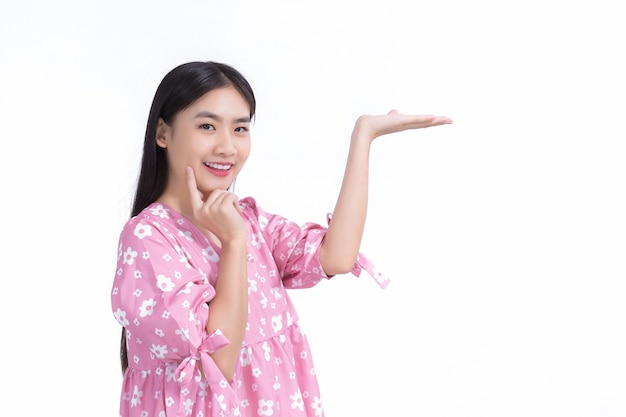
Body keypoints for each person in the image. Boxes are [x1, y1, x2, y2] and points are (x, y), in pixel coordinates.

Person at [111, 60, 452, 417]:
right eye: (207, 126)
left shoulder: (245, 220)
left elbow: (336, 256)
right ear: (163, 133)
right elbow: (218, 361)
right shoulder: (149, 238)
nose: (227, 147)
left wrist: (363, 137)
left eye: (240, 129)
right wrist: (234, 243)